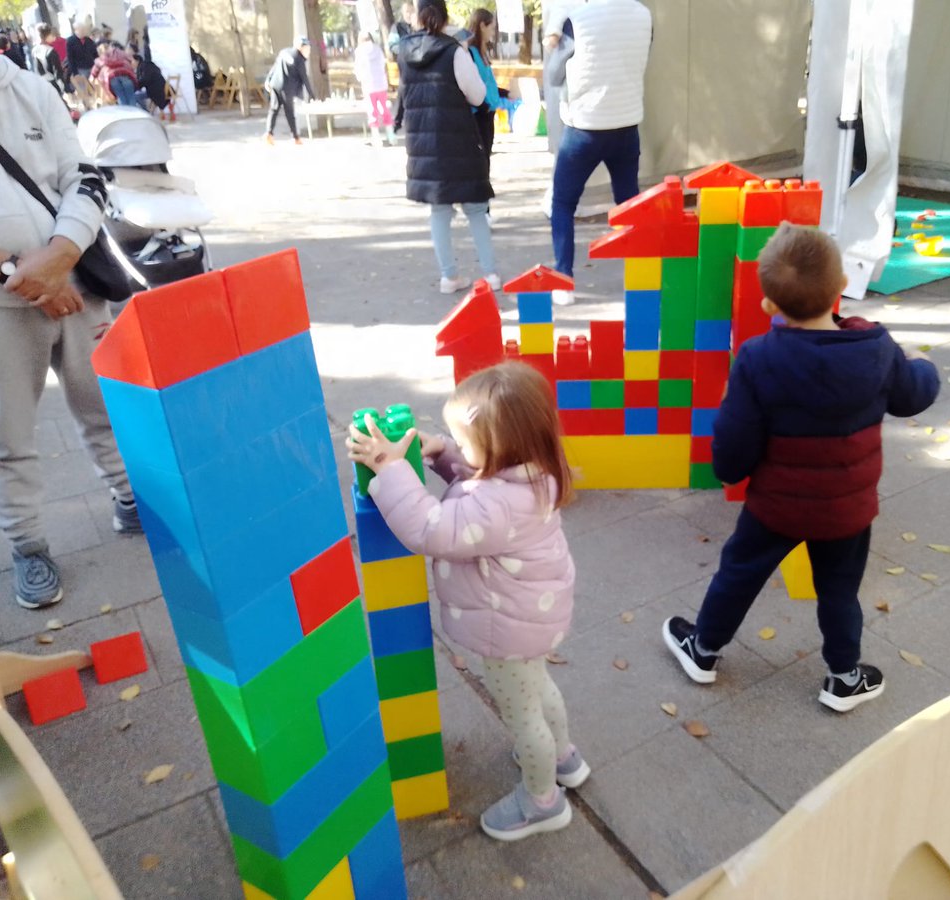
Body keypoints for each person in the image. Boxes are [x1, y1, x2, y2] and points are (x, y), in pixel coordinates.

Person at [662, 224, 940, 711]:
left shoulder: (758, 358)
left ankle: (703, 650)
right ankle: (844, 676)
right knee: (839, 591)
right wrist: (921, 364)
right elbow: (912, 396)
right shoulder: (876, 349)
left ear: (769, 305)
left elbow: (735, 434)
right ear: (838, 291)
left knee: (739, 573)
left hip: (775, 508)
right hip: (846, 512)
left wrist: (728, 470)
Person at [346, 362, 587, 842]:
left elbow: (433, 528)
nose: (461, 449)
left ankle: (542, 802)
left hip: (507, 628)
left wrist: (393, 473)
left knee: (522, 716)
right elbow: (480, 483)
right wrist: (443, 456)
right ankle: (565, 759)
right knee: (537, 688)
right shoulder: (535, 473)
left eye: (465, 441)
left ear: (497, 449)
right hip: (533, 617)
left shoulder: (496, 504)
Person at [0, 12, 142, 610]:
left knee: (105, 403)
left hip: (75, 281)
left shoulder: (31, 86)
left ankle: (130, 499)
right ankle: (28, 547)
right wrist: (28, 278)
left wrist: (63, 255)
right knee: (7, 433)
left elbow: (83, 176)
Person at [545, 0, 652, 306]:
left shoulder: (576, 19)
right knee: (628, 203)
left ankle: (563, 280)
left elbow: (554, 75)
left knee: (563, 202)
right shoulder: (644, 16)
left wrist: (555, 48)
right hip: (627, 123)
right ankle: (642, 278)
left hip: (584, 127)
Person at [397, 0, 498, 294]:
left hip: (423, 144)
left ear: (416, 16)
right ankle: (490, 275)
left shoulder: (404, 51)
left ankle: (448, 277)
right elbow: (478, 96)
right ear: (445, 16)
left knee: (439, 211)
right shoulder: (454, 51)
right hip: (459, 142)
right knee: (476, 209)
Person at [263, 37, 315, 145]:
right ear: (301, 47)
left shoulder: (284, 52)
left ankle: (269, 134)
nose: (309, 51)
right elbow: (304, 77)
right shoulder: (298, 58)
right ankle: (296, 138)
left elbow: (275, 67)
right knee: (290, 112)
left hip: (275, 85)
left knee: (273, 110)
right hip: (287, 88)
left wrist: (268, 80)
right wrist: (312, 95)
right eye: (307, 48)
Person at [465, 8, 500, 166]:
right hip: (479, 114)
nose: (493, 32)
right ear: (482, 26)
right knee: (481, 161)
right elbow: (470, 83)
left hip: (488, 113)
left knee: (486, 159)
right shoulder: (470, 53)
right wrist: (483, 107)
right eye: (491, 27)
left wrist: (504, 93)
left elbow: (488, 82)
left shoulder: (483, 52)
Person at [353, 33, 394, 145]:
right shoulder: (377, 49)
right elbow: (382, 64)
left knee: (372, 110)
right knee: (384, 108)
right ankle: (391, 136)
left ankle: (377, 138)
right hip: (381, 83)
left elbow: (358, 68)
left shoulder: (359, 51)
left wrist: (360, 78)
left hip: (368, 85)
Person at [387, 2, 415, 130]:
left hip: (420, 64)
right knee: (403, 89)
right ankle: (396, 120)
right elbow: (393, 45)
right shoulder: (397, 27)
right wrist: (407, 51)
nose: (409, 15)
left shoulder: (419, 26)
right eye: (407, 12)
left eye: (411, 11)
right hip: (406, 64)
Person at [90, 40, 138, 106]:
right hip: (126, 74)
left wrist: (93, 77)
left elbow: (94, 72)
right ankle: (134, 114)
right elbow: (132, 61)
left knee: (121, 98)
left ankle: (125, 114)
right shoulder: (120, 52)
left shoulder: (101, 58)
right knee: (131, 96)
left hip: (112, 77)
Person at [65, 21, 98, 103]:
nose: (84, 31)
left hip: (91, 67)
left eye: (84, 29)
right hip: (80, 69)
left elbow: (95, 54)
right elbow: (70, 58)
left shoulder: (88, 40)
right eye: (82, 29)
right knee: (83, 90)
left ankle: (94, 103)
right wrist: (75, 73)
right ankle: (86, 105)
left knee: (94, 89)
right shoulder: (70, 41)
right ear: (76, 30)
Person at [32, 23, 68, 98]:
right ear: (47, 36)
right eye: (51, 34)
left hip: (41, 83)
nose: (53, 36)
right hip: (53, 83)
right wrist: (61, 86)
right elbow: (57, 71)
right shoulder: (50, 51)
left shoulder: (35, 50)